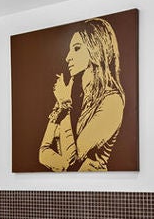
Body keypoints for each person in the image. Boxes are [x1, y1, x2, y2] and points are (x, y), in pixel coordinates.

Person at [39, 18, 125, 171]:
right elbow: (43, 153)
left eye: (76, 48)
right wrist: (63, 164)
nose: (68, 57)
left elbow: (71, 159)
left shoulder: (112, 101)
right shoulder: (71, 94)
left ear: (95, 48)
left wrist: (65, 104)